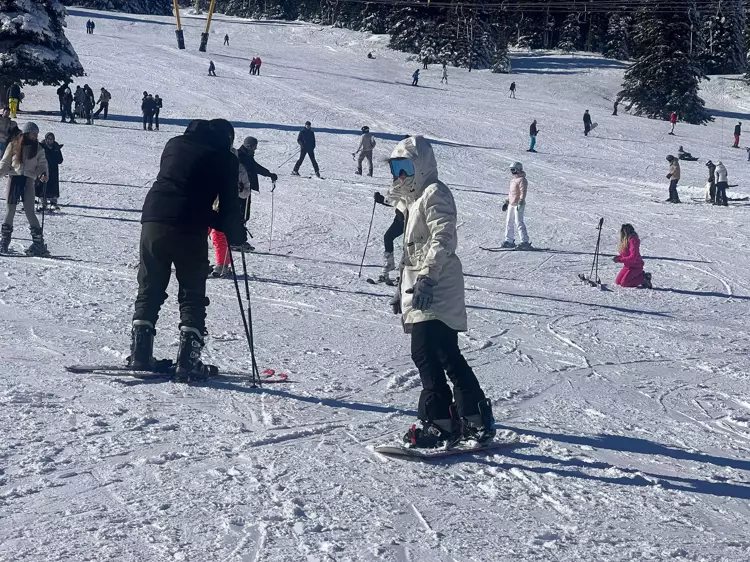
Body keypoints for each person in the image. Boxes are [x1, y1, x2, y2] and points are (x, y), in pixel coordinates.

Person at [385, 135, 495, 448]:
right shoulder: (412, 202)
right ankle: (474, 419)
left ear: (421, 166)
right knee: (446, 353)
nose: (401, 175)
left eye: (406, 166)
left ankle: (440, 423)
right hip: (423, 286)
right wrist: (401, 288)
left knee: (424, 353)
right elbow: (412, 254)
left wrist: (427, 279)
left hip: (437, 286)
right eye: (396, 168)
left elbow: (443, 238)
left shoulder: (434, 192)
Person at [129, 119, 247, 381]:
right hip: (189, 227)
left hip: (154, 218)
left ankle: (140, 353)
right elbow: (227, 206)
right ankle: (188, 361)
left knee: (150, 284)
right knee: (192, 290)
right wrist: (235, 231)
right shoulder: (225, 159)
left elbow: (182, 189)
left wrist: (211, 217)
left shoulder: (175, 144)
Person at [0, 122, 49, 256]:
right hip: (14, 178)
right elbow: (5, 162)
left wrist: (43, 174)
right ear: (27, 133)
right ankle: (4, 241)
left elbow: (42, 164)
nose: (36, 136)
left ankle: (38, 243)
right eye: (34, 133)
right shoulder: (14, 144)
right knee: (10, 209)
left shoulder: (38, 149)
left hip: (28, 180)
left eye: (36, 134)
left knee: (29, 211)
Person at [373, 191, 405, 282]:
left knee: (407, 244)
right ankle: (389, 264)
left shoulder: (412, 185)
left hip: (410, 221)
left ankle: (404, 271)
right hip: (399, 219)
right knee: (388, 237)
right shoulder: (401, 185)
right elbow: (396, 201)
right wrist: (381, 199)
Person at [501, 162, 531, 249]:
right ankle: (509, 240)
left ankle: (525, 241)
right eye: (511, 170)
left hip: (518, 204)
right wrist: (507, 201)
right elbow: (511, 193)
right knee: (509, 222)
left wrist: (521, 201)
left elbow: (523, 191)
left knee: (519, 222)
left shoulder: (522, 180)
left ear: (518, 169)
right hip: (511, 203)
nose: (512, 172)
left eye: (513, 170)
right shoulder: (513, 180)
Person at [613, 224, 651, 289]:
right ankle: (639, 275)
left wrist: (620, 260)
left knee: (624, 283)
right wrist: (618, 257)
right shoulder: (626, 241)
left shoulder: (633, 240)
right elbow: (625, 254)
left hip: (636, 266)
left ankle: (644, 278)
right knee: (618, 282)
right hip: (628, 266)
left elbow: (633, 257)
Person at [36, 132, 63, 211]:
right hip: (44, 168)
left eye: (51, 139)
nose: (50, 141)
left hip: (53, 169)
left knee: (53, 186)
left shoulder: (55, 147)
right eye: (48, 139)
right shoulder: (42, 146)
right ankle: (43, 202)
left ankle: (53, 202)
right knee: (42, 185)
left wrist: (57, 152)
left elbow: (60, 160)